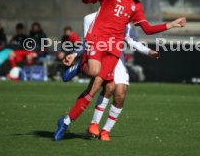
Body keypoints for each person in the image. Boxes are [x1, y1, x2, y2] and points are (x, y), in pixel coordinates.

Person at [54, 0, 186, 141]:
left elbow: (147, 29)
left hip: (114, 50)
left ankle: (64, 122)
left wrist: (171, 25)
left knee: (93, 90)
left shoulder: (136, 6)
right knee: (93, 71)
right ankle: (80, 65)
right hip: (98, 41)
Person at [61, 12, 159, 141]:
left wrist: (148, 51)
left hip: (117, 56)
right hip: (98, 56)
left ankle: (105, 130)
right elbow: (87, 42)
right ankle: (92, 124)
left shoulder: (123, 18)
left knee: (120, 94)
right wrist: (74, 54)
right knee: (104, 88)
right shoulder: (90, 18)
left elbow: (131, 40)